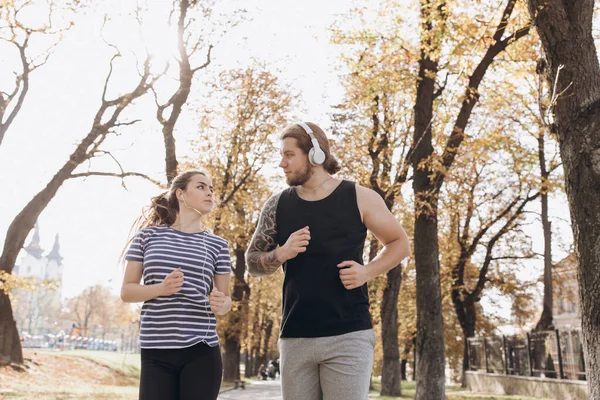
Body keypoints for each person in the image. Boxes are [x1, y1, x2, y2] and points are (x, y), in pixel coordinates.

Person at [246, 122, 410, 400]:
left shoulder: (359, 197)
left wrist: (367, 272)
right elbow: (252, 262)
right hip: (295, 336)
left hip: (348, 336)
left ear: (314, 155)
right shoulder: (277, 205)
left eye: (289, 155)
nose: (281, 163)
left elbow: (400, 243)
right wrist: (281, 253)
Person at [121, 170, 232, 400]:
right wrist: (160, 289)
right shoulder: (147, 238)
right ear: (180, 194)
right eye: (201, 187)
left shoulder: (217, 245)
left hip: (201, 350)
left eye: (211, 189)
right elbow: (127, 291)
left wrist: (220, 304)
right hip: (155, 350)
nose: (210, 193)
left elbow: (226, 300)